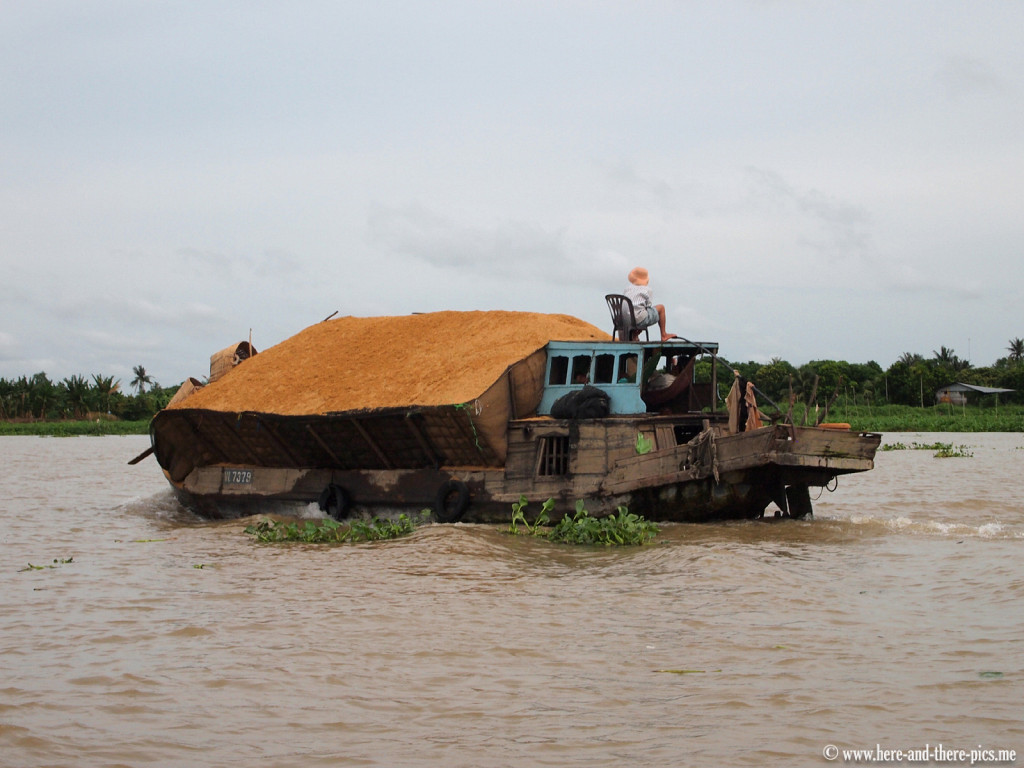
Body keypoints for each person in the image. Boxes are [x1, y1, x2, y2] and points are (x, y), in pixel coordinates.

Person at [623, 267, 677, 341]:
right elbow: (648, 305)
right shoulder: (647, 290)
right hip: (638, 320)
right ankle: (664, 335)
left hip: (623, 320)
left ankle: (634, 336)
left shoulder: (627, 289)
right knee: (660, 308)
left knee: (640, 313)